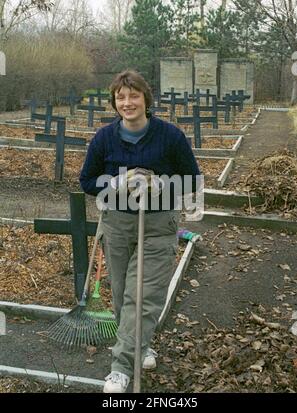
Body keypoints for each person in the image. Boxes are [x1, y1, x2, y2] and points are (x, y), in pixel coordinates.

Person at [80, 70, 201, 393]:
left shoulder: (169, 136)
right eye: (121, 97)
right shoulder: (105, 137)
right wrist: (116, 183)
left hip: (158, 225)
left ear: (146, 100)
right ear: (114, 102)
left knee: (142, 297)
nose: (127, 102)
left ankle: (120, 368)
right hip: (118, 224)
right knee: (122, 297)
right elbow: (87, 181)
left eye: (134, 95)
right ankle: (140, 345)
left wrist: (162, 184)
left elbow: (192, 179)